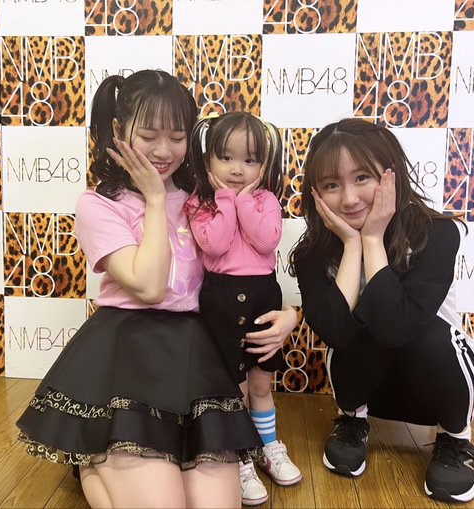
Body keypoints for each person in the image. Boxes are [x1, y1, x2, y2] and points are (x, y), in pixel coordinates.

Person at [16, 70, 297, 509]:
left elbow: (247, 266)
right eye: (148, 136)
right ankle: (93, 458)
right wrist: (153, 198)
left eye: (177, 137)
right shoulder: (99, 204)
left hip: (196, 355)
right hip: (127, 352)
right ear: (118, 129)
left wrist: (290, 315)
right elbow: (149, 287)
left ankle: (102, 460)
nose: (164, 151)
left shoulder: (206, 196)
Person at [289, 118, 474, 503]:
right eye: (331, 185)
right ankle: (353, 422)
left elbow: (398, 327)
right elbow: (335, 333)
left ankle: (455, 439)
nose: (349, 199)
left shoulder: (437, 234)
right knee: (357, 325)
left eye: (362, 177)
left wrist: (372, 239)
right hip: (369, 390)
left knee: (427, 332)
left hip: (439, 387)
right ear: (315, 194)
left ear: (391, 175)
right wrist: (353, 246)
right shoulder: (312, 253)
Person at [184, 112, 302, 505]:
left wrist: (243, 201)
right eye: (227, 158)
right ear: (208, 159)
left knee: (261, 384)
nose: (237, 169)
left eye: (250, 160)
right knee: (233, 389)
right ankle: (239, 458)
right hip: (219, 300)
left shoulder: (266, 201)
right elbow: (215, 245)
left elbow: (265, 241)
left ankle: (266, 447)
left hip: (262, 298)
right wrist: (225, 200)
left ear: (264, 165)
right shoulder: (200, 203)